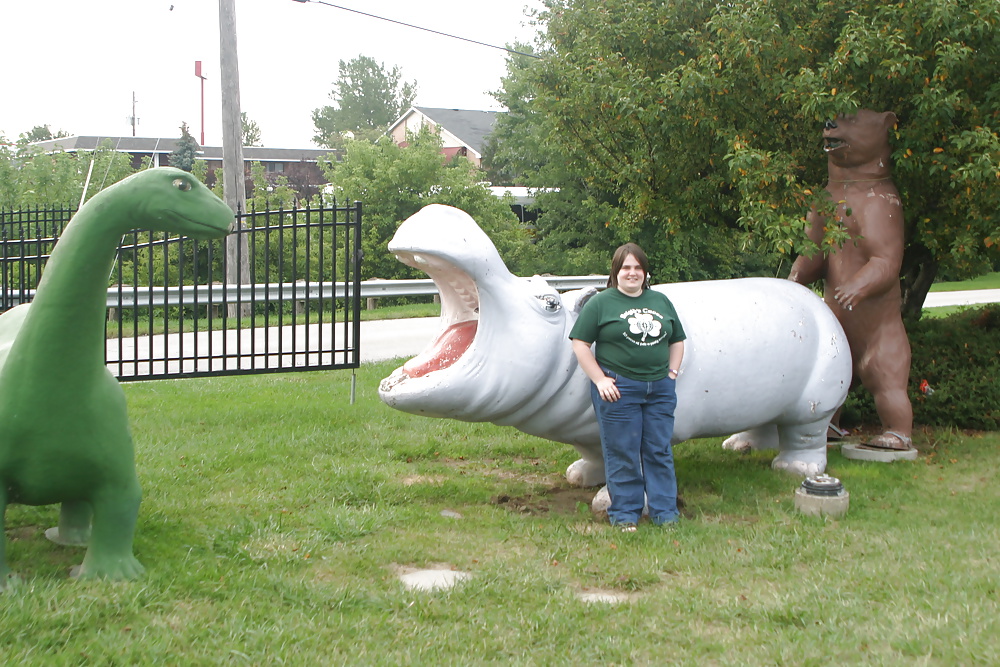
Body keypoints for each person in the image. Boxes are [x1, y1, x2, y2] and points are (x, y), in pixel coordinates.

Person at [569, 243, 686, 531]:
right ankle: (625, 515)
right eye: (626, 268)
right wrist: (600, 379)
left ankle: (665, 513)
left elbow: (677, 340)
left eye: (637, 268)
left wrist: (671, 373)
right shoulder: (601, 303)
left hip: (659, 389)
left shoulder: (661, 301)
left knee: (659, 450)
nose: (632, 273)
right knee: (622, 450)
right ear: (616, 272)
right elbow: (580, 344)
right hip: (619, 388)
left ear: (645, 272)